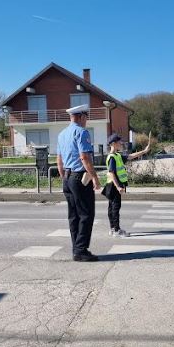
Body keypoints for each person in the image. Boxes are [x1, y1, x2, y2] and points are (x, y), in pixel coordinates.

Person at [57, 104, 101, 262]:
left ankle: (76, 249)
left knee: (73, 215)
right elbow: (85, 157)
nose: (86, 121)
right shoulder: (81, 132)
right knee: (86, 214)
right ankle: (81, 250)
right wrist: (95, 177)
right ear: (82, 117)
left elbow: (59, 160)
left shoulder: (62, 134)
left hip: (68, 178)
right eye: (86, 117)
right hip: (79, 177)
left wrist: (64, 176)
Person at [104, 132, 152, 237]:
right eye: (118, 141)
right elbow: (111, 173)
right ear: (113, 144)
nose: (121, 143)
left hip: (111, 185)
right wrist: (118, 187)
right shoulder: (112, 157)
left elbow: (130, 156)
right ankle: (116, 230)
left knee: (111, 208)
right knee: (115, 207)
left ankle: (112, 229)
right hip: (114, 185)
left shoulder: (117, 156)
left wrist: (144, 151)